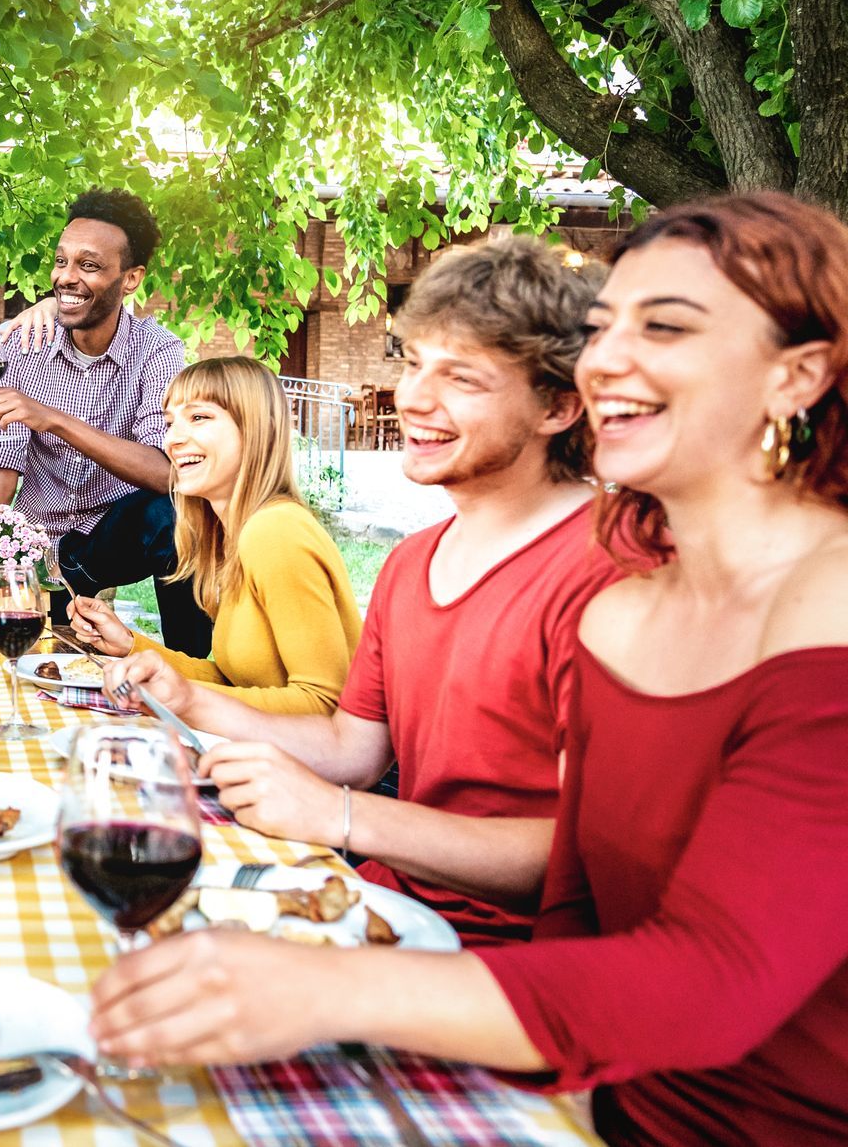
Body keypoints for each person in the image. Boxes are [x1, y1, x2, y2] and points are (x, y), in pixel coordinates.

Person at [89, 191, 848, 1146]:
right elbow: (578, 901)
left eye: (665, 326)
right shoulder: (639, 597)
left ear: (802, 373)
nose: (609, 356)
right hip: (575, 1082)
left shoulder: (789, 603)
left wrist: (335, 978)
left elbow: (716, 976)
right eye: (605, 327)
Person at [106, 235, 620, 944]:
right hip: (379, 905)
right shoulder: (411, 563)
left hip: (510, 959)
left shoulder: (611, 572)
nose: (413, 398)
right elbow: (354, 748)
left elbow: (595, 858)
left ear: (559, 406)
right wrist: (187, 695)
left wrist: (340, 816)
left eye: (461, 377)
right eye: (411, 364)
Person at [0, 188, 211, 654]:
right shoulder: (28, 343)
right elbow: (4, 467)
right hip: (41, 550)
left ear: (131, 278)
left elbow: (169, 473)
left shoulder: (156, 350)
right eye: (62, 262)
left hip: (114, 539)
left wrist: (54, 419)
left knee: (178, 512)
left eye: (88, 265)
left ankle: (191, 670)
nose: (66, 278)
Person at [70, 357, 360, 713]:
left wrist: (186, 701)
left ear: (256, 429)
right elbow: (231, 681)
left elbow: (326, 706)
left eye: (199, 418)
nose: (174, 440)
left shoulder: (276, 531)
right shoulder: (227, 539)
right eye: (170, 422)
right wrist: (132, 646)